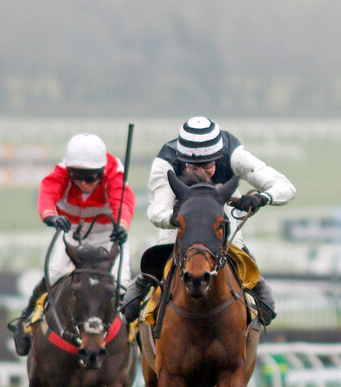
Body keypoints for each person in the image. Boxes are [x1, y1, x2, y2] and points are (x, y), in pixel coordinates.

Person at [121, 116, 296, 326]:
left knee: (236, 249)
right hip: (181, 217)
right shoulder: (165, 162)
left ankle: (254, 284)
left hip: (220, 210)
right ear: (182, 158)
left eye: (207, 165)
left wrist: (261, 198)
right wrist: (173, 218)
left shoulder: (234, 154)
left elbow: (286, 188)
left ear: (219, 156)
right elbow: (155, 210)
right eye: (195, 167)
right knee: (165, 250)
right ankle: (145, 283)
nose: (203, 173)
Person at [9, 133, 135, 356]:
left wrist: (122, 226)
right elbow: (47, 193)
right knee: (54, 273)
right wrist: (50, 216)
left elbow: (122, 200)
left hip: (108, 235)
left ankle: (136, 332)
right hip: (73, 234)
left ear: (102, 171)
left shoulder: (115, 172)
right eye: (78, 176)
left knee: (122, 283)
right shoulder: (60, 173)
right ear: (69, 170)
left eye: (92, 177)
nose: (85, 184)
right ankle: (26, 320)